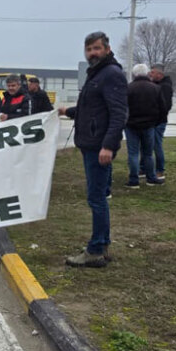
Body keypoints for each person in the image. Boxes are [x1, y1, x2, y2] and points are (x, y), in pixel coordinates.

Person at [58, 31, 127, 268]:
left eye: (97, 48)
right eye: (88, 49)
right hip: (91, 144)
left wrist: (108, 145)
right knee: (98, 197)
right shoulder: (97, 74)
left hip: (99, 146)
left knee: (96, 198)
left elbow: (119, 114)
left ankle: (96, 250)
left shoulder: (111, 74)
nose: (92, 53)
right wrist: (68, 112)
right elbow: (92, 109)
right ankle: (102, 243)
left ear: (107, 49)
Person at [124, 63, 163, 188]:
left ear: (134, 74)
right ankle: (151, 178)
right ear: (147, 73)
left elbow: (123, 107)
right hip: (149, 125)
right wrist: (155, 122)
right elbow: (162, 107)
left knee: (133, 153)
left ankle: (133, 180)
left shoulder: (128, 88)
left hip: (131, 125)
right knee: (148, 153)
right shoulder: (155, 88)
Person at [149, 64, 174, 179]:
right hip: (153, 120)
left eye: (153, 72)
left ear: (160, 74)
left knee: (156, 145)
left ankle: (160, 169)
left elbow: (166, 106)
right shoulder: (155, 85)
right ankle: (146, 168)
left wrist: (157, 118)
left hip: (159, 121)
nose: (150, 74)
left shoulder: (165, 87)